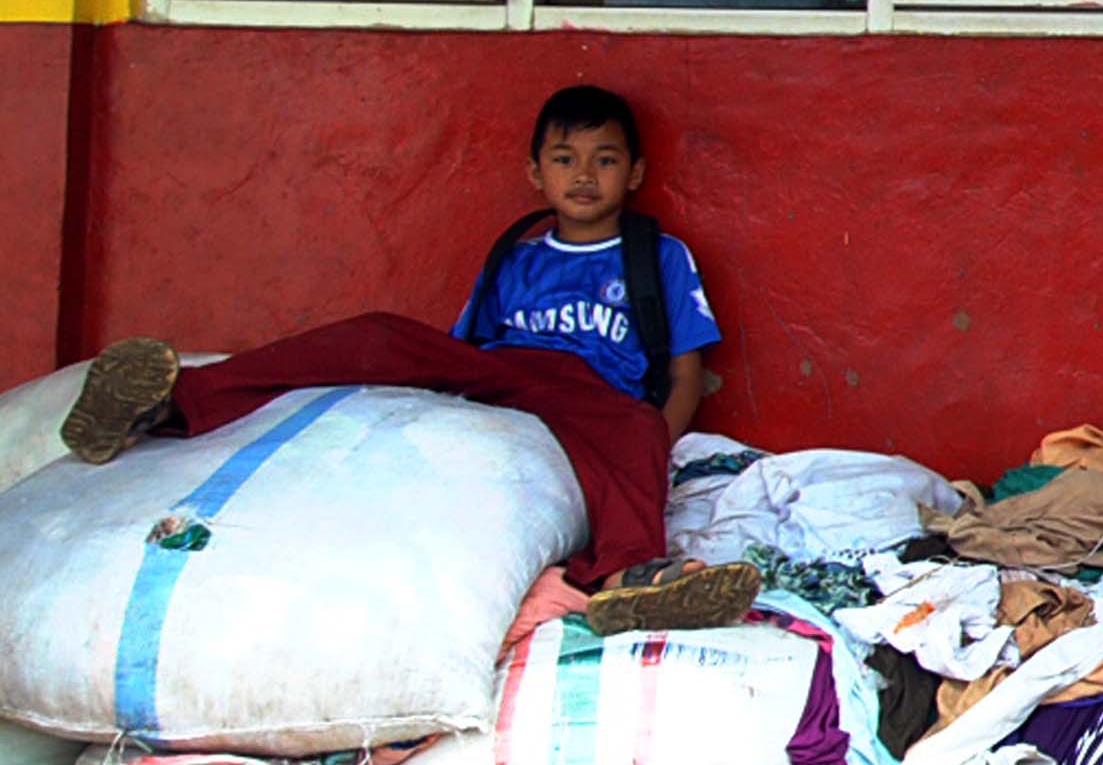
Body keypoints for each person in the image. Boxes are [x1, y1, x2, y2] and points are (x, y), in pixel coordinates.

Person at [57, 83, 758, 638]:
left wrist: (644, 452)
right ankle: (169, 402)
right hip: (501, 374)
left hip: (591, 394)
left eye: (605, 159)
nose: (584, 175)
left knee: (633, 423)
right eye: (564, 158)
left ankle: (632, 576)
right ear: (533, 170)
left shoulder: (657, 255)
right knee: (379, 333)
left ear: (634, 172)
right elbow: (464, 353)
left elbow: (684, 377)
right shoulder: (515, 257)